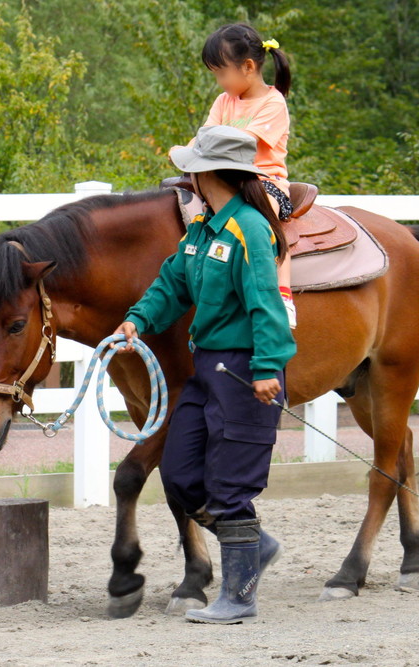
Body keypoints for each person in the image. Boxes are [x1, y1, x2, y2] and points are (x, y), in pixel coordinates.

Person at [115, 125, 297, 624]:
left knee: (231, 485)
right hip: (207, 368)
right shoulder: (202, 228)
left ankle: (239, 597)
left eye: (191, 168)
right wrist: (137, 319)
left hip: (244, 370)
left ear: (208, 172)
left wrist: (267, 367)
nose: (186, 175)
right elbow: (172, 282)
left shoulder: (249, 229)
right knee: (179, 474)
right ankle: (255, 546)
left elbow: (266, 302)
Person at [172, 22, 297, 328]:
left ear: (248, 67)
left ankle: (282, 294)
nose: (219, 82)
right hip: (225, 180)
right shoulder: (224, 101)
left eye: (221, 73)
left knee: (264, 221)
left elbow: (243, 145)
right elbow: (205, 135)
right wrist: (187, 149)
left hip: (263, 180)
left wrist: (200, 148)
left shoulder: (273, 103)